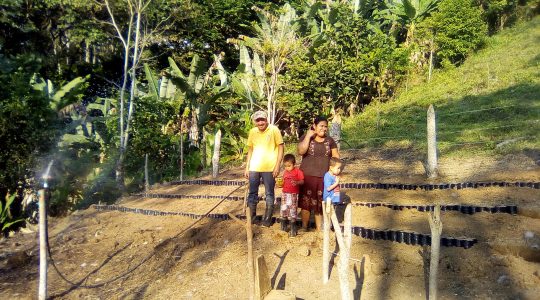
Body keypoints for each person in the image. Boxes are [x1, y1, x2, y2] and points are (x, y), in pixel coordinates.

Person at [297, 116, 340, 231]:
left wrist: (336, 172)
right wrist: (307, 136)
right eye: (321, 126)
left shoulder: (330, 141)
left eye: (326, 126)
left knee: (319, 204)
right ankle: (304, 227)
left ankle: (319, 229)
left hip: (324, 177)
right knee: (305, 203)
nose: (324, 128)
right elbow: (301, 151)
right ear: (314, 126)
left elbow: (336, 157)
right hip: (307, 176)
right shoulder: (306, 138)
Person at [244, 110, 284, 227]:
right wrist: (247, 167)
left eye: (262, 119)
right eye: (258, 120)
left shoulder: (274, 130)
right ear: (255, 122)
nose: (260, 122)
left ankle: (267, 219)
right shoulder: (252, 132)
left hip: (269, 167)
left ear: (266, 120)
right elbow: (250, 150)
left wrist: (277, 165)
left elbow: (281, 147)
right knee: (252, 193)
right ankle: (252, 217)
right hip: (254, 167)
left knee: (269, 193)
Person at [280, 154, 304, 237]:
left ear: (294, 164)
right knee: (284, 209)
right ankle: (283, 227)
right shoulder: (285, 172)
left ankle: (293, 229)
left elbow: (302, 181)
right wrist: (280, 184)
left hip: (293, 194)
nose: (287, 168)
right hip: (285, 193)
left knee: (293, 210)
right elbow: (283, 181)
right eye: (285, 166)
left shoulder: (298, 172)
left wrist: (297, 182)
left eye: (289, 166)